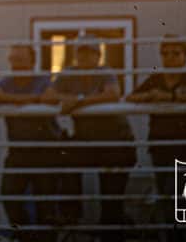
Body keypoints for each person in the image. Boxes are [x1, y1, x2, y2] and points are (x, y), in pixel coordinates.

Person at [42, 36, 134, 242]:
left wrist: (78, 101)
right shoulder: (68, 73)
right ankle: (70, 215)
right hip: (88, 142)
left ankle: (111, 234)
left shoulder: (105, 72)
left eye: (90, 52)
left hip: (116, 141)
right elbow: (47, 96)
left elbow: (113, 94)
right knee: (64, 157)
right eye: (81, 52)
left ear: (98, 56)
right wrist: (68, 99)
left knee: (111, 200)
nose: (84, 56)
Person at [126, 35, 186, 235]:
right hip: (161, 147)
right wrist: (150, 95)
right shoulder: (156, 79)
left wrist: (171, 97)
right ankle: (173, 236)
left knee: (180, 193)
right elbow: (131, 97)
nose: (170, 58)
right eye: (165, 54)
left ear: (185, 56)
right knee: (166, 194)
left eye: (175, 53)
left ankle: (180, 235)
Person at [0, 44, 62, 242]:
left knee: (46, 205)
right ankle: (25, 237)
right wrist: (24, 100)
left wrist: (8, 99)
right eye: (12, 59)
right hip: (19, 151)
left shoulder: (42, 79)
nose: (15, 64)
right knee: (9, 194)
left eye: (20, 59)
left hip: (46, 151)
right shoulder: (7, 82)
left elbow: (49, 97)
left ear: (31, 61)